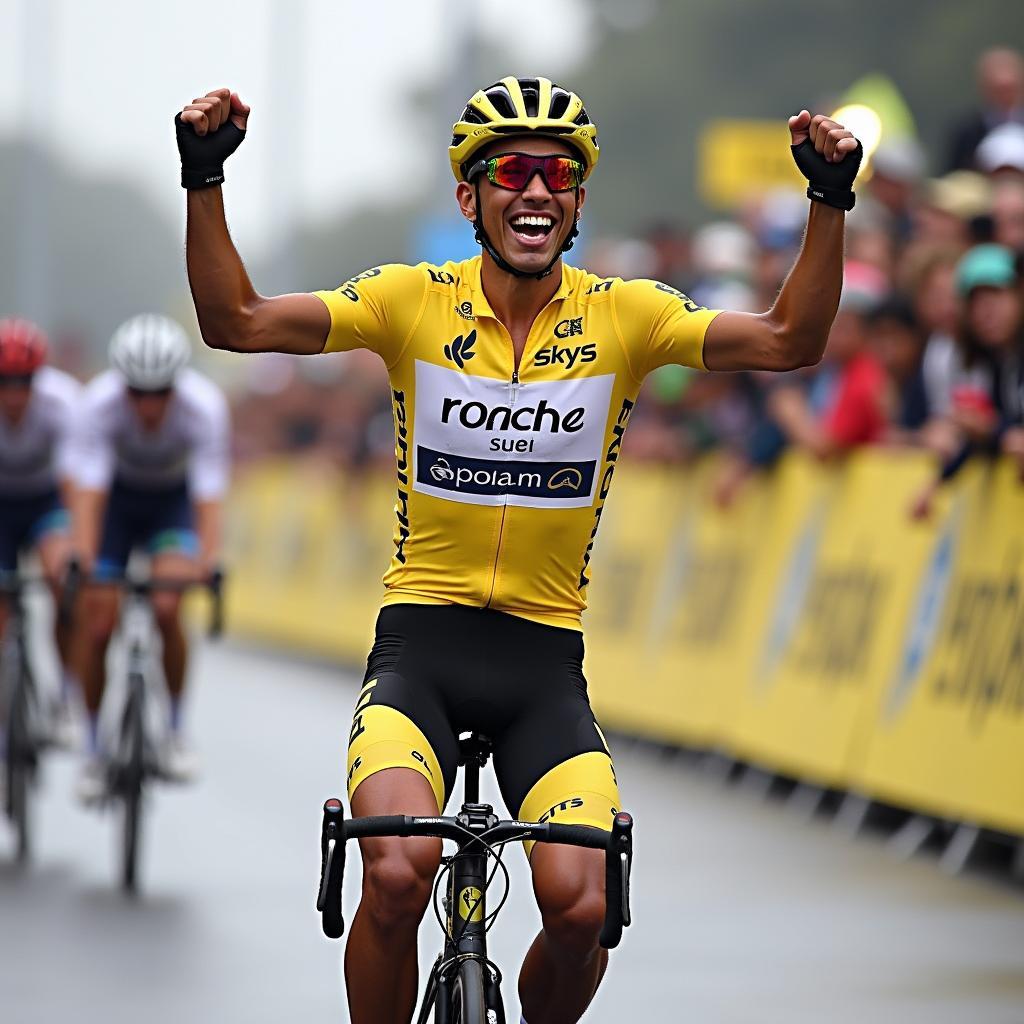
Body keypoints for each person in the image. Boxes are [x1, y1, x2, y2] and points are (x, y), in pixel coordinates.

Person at [176, 78, 860, 1024]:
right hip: (422, 652)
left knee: (583, 907)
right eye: (511, 172)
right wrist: (203, 177)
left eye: (558, 174)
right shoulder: (409, 300)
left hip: (544, 666)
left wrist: (829, 202)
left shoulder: (629, 316)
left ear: (578, 200)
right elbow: (237, 323)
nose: (535, 191)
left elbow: (790, 341)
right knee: (398, 868)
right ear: (471, 198)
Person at [70, 315, 229, 798]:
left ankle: (177, 731)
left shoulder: (204, 407)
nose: (148, 405)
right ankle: (94, 749)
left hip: (170, 507)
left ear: (177, 385)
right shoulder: (97, 404)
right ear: (122, 385)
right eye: (137, 393)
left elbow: (208, 497)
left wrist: (206, 560)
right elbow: (89, 494)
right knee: (98, 625)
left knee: (167, 606)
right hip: (116, 504)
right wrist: (84, 556)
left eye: (159, 393)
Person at [0, 318, 80, 743]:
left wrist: (74, 547)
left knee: (63, 576)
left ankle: (66, 692)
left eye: (24, 382)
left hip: (46, 502)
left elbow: (74, 482)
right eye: (5, 383)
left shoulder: (62, 401)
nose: (14, 394)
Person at [911, 244, 1024, 517]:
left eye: (996, 295)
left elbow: (1003, 431)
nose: (985, 311)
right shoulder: (995, 363)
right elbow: (993, 431)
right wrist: (939, 482)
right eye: (975, 302)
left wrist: (996, 430)